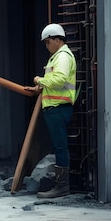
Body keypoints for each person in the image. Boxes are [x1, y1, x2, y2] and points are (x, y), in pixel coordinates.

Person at [25, 23, 77, 199]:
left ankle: (62, 187)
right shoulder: (58, 57)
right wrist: (40, 88)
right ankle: (61, 185)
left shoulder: (62, 56)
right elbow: (55, 82)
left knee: (60, 146)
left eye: (47, 42)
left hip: (58, 108)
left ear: (57, 39)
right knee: (59, 145)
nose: (46, 46)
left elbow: (59, 80)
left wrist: (39, 80)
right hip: (56, 108)